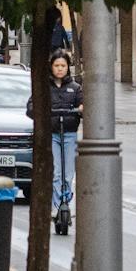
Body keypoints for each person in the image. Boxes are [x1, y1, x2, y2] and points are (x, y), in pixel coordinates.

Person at [26, 49, 83, 218]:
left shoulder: (75, 88)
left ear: (68, 67)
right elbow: (31, 107)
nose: (60, 69)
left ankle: (66, 202)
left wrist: (80, 110)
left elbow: (85, 106)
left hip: (70, 134)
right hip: (52, 134)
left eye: (63, 65)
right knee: (56, 172)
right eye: (56, 65)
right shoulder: (45, 87)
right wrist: (40, 111)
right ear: (51, 67)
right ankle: (56, 206)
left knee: (68, 174)